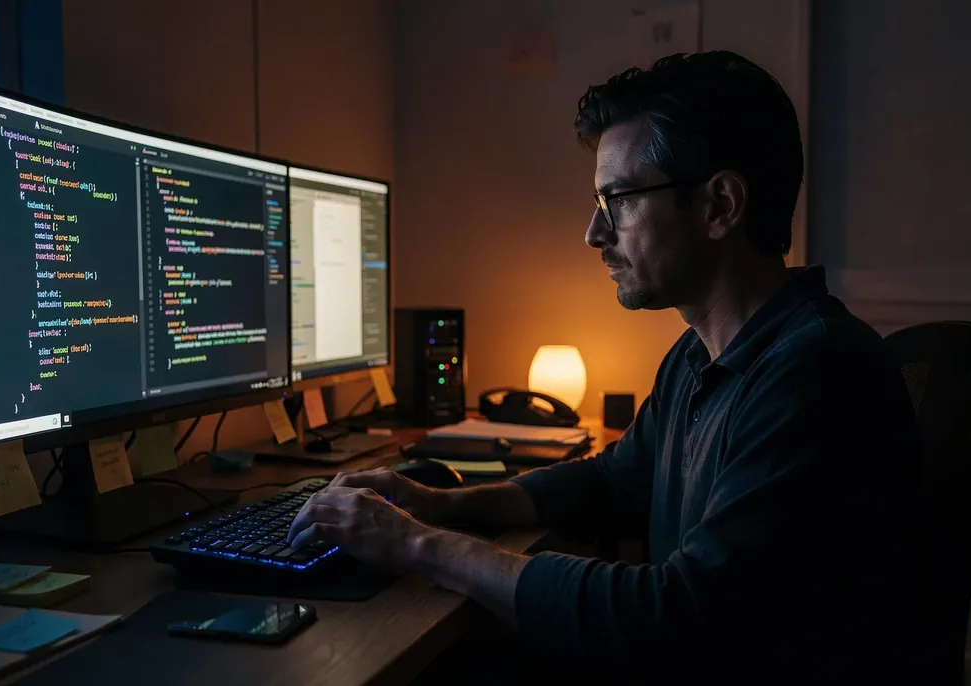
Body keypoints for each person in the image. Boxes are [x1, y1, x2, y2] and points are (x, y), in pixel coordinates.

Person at [287, 51, 922, 682]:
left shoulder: (815, 373)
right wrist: (440, 504)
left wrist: (417, 544)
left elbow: (675, 618)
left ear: (719, 205)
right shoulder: (703, 355)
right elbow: (615, 483)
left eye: (617, 199)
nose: (594, 232)